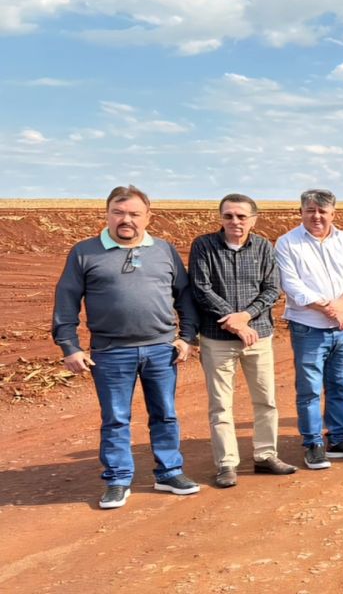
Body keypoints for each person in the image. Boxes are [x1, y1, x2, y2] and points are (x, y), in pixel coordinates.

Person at [53, 185, 200, 509]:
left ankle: (169, 472)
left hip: (162, 349)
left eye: (134, 214)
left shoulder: (164, 250)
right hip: (110, 352)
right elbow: (66, 300)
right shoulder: (84, 252)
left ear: (148, 217)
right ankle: (118, 480)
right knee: (116, 418)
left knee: (165, 414)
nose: (126, 219)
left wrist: (187, 337)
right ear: (107, 214)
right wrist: (70, 346)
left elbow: (185, 296)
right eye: (118, 213)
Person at [189, 193, 295, 489]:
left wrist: (246, 316)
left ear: (254, 219)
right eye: (228, 216)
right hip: (217, 337)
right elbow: (201, 288)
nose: (235, 221)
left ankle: (265, 455)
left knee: (266, 400)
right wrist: (233, 321)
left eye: (241, 216)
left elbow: (272, 288)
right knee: (221, 404)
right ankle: (226, 463)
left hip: (258, 335)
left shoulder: (263, 247)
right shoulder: (204, 246)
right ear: (220, 218)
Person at [275, 188, 343, 469]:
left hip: (342, 328)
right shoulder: (287, 243)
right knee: (310, 389)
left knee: (339, 386)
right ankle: (314, 444)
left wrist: (342, 305)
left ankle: (338, 439)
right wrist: (327, 308)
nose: (316, 216)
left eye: (322, 211)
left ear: (333, 213)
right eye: (310, 211)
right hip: (309, 327)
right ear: (301, 212)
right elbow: (292, 285)